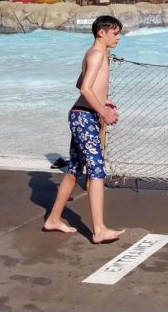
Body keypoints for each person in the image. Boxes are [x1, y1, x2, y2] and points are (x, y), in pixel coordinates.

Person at [43, 15, 125, 244]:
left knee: (73, 170)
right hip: (84, 118)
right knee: (97, 170)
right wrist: (103, 111)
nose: (119, 37)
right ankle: (99, 230)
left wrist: (101, 101)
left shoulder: (92, 53)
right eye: (115, 33)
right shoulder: (98, 54)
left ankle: (54, 219)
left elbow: (81, 85)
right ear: (102, 33)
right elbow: (87, 88)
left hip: (81, 114)